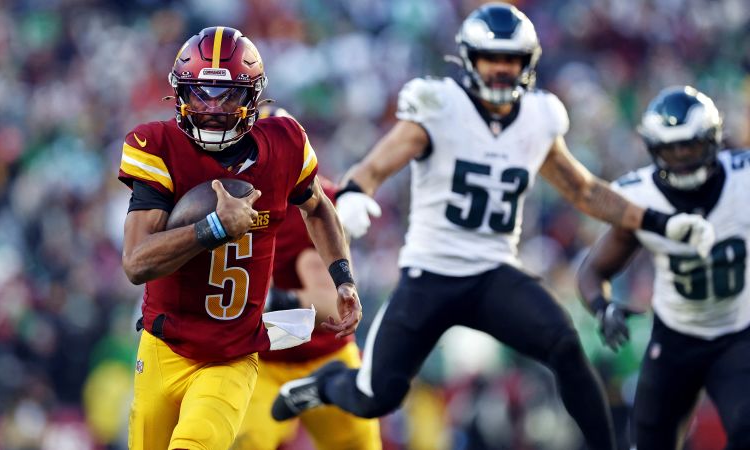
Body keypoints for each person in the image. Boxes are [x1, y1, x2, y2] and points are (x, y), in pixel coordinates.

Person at [270, 5, 715, 450]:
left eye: (511, 59)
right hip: (430, 274)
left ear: (528, 63)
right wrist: (353, 195)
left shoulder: (539, 117)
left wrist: (660, 222)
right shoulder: (440, 106)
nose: (501, 69)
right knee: (376, 397)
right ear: (470, 60)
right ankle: (325, 384)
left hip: (493, 272)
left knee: (565, 345)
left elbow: (585, 191)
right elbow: (373, 167)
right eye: (491, 58)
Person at [118, 27, 362, 450]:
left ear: (253, 98)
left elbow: (319, 206)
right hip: (162, 349)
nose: (212, 109)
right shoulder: (156, 146)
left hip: (231, 355)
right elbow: (136, 263)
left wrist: (343, 278)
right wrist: (213, 228)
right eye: (200, 95)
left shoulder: (285, 143)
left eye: (227, 96)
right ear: (180, 93)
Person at [577, 86, 750, 450]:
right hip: (676, 338)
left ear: (713, 141)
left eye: (691, 146)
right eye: (671, 149)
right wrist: (602, 307)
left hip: (738, 334)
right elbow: (593, 271)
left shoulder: (743, 179)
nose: (683, 159)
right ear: (654, 150)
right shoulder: (640, 198)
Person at [232, 108, 381, 450]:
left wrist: (269, 302)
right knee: (244, 442)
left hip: (323, 357)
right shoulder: (218, 198)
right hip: (260, 360)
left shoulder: (313, 206)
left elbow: (333, 304)